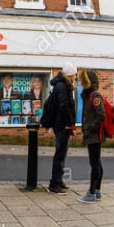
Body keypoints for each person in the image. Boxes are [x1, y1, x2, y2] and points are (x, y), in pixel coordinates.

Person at [76, 69, 106, 203]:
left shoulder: (95, 96)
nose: (81, 83)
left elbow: (101, 115)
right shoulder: (88, 96)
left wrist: (89, 128)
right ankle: (97, 191)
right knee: (97, 163)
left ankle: (91, 193)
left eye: (83, 81)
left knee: (94, 164)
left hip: (94, 135)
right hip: (92, 135)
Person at [47, 63, 77, 194]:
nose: (75, 77)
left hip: (62, 124)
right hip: (62, 125)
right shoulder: (62, 87)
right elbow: (63, 107)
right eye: (74, 74)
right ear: (70, 74)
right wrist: (68, 124)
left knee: (62, 154)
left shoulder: (63, 85)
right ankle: (54, 184)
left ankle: (59, 180)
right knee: (60, 154)